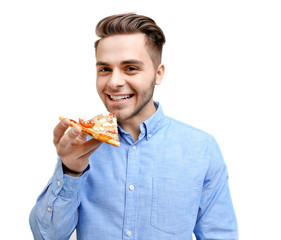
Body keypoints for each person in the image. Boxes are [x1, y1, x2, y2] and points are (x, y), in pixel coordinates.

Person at [29, 13, 238, 240]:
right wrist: (70, 170)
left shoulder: (202, 149)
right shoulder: (81, 145)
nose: (114, 82)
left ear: (158, 74)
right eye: (104, 69)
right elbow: (46, 236)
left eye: (130, 68)